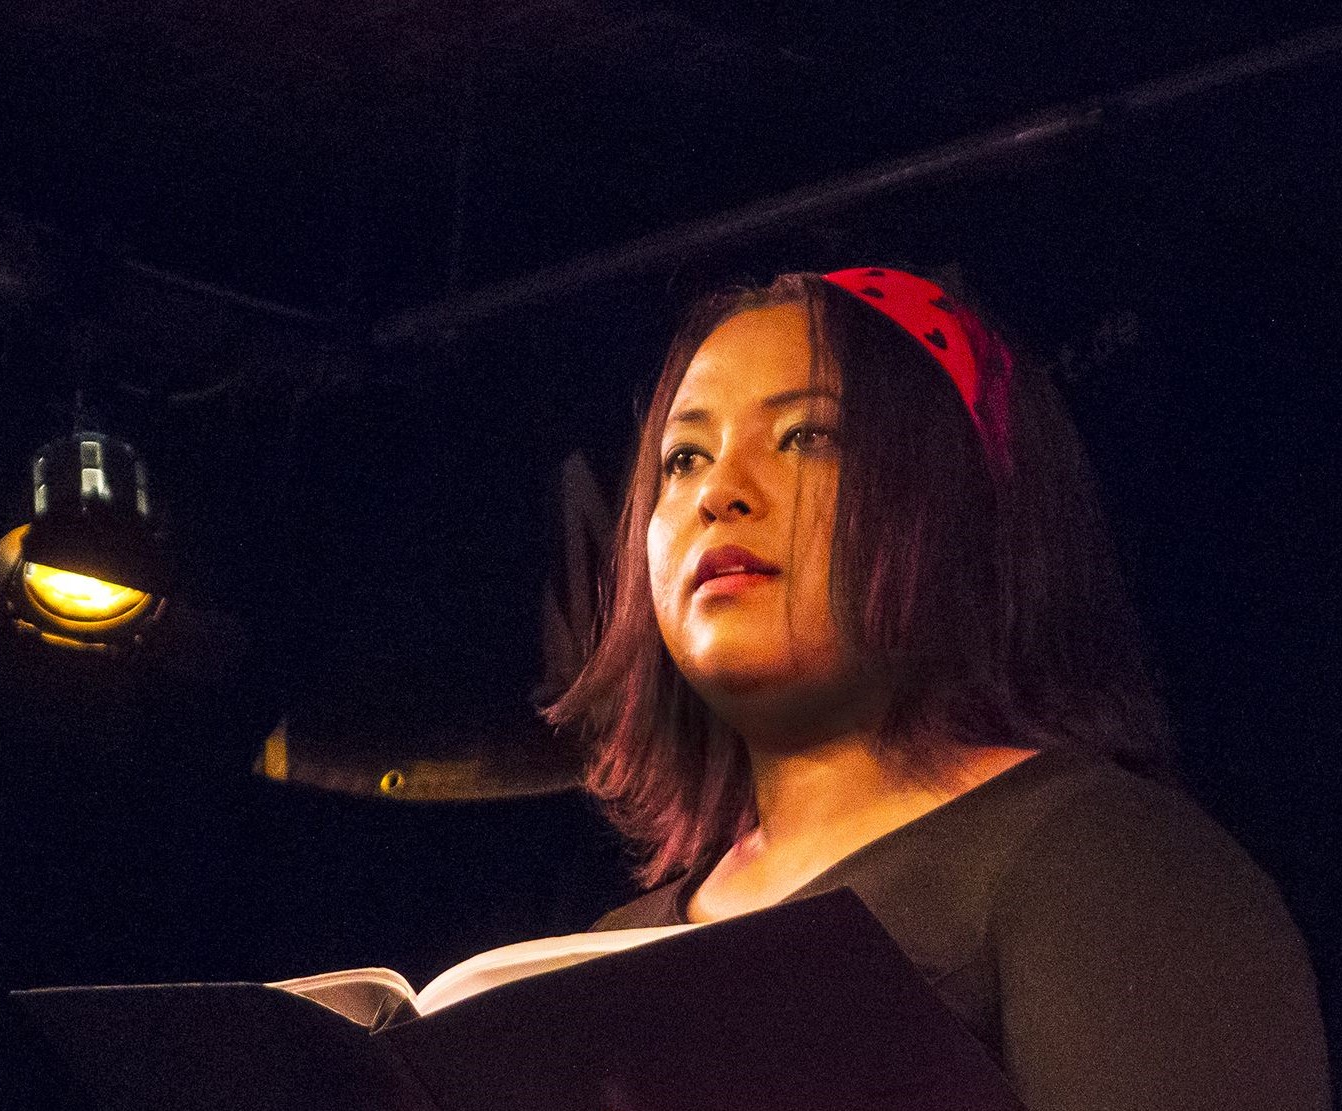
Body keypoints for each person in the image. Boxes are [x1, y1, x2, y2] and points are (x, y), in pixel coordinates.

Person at [547, 268, 1331, 1110]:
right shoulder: (601, 956)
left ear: (957, 498)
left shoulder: (1100, 860)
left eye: (805, 435)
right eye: (683, 458)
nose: (718, 492)